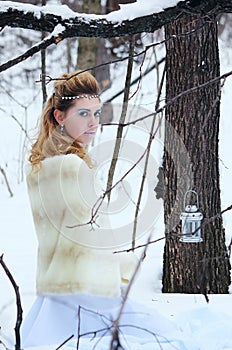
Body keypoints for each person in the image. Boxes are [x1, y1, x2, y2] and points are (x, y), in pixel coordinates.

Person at [21, 70, 189, 350]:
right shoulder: (72, 166)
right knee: (168, 338)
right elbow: (88, 235)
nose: (94, 123)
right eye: (84, 114)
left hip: (55, 287)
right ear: (60, 117)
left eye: (97, 114)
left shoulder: (38, 167)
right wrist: (122, 268)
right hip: (88, 287)